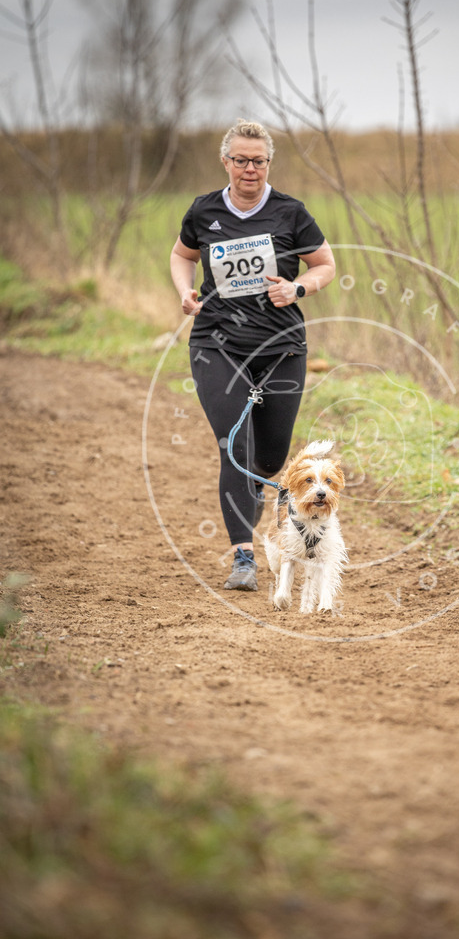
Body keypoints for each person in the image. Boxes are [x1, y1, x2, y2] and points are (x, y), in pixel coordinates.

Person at [170, 119, 336, 591]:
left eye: (258, 161)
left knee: (267, 460)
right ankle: (243, 556)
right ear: (225, 161)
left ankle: (261, 502)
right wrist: (185, 291)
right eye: (240, 160)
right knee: (233, 446)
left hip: (281, 347)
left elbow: (325, 265)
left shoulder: (290, 212)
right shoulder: (203, 211)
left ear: (268, 164)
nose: (249, 169)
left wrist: (298, 286)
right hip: (216, 344)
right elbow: (182, 255)